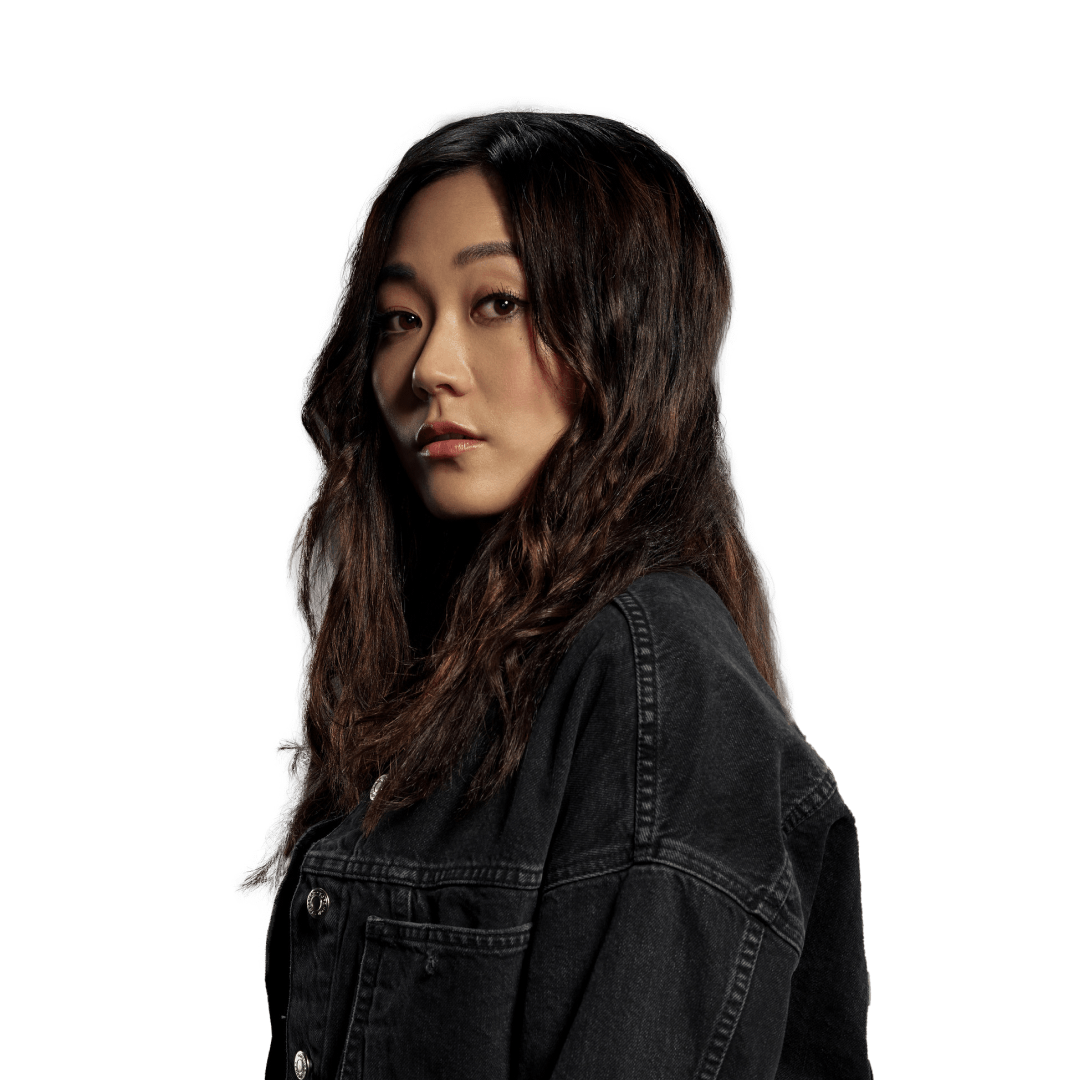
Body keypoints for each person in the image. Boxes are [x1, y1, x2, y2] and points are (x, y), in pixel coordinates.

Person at [237, 105, 872, 1079]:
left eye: (498, 303)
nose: (429, 367)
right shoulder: (447, 688)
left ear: (627, 330)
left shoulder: (652, 679)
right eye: (400, 318)